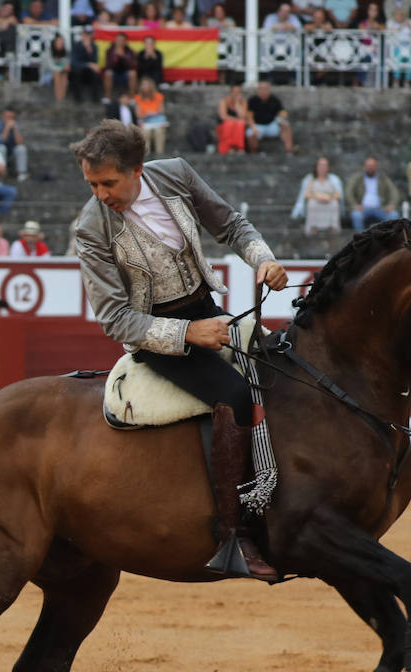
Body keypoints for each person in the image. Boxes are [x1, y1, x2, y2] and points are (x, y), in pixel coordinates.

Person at [70, 119, 287, 580]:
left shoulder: (176, 174)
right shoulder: (90, 228)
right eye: (91, 184)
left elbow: (230, 224)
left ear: (137, 170)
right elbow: (115, 318)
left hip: (209, 311)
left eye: (107, 182)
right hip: (157, 339)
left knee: (282, 377)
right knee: (235, 396)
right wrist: (189, 336)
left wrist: (264, 259)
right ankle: (233, 537)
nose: (100, 194)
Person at [346, 156, 400, 231]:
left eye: (372, 166)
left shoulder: (383, 178)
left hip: (380, 208)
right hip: (363, 209)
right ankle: (360, 239)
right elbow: (349, 191)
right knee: (356, 215)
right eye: (368, 166)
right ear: (364, 167)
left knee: (394, 215)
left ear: (376, 167)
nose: (370, 168)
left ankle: (389, 238)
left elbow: (394, 191)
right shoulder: (358, 178)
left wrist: (391, 205)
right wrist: (354, 205)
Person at [297, 156, 343, 234]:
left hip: (329, 201)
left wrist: (329, 197)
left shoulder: (333, 180)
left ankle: (332, 227)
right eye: (321, 165)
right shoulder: (311, 180)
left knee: (334, 203)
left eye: (325, 166)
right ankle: (313, 227)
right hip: (316, 201)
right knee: (311, 203)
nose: (323, 168)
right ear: (317, 167)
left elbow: (338, 194)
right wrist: (317, 197)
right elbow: (306, 194)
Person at [246, 81, 294, 154]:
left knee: (285, 125)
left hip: (271, 125)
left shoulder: (274, 100)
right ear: (258, 90)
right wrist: (253, 126)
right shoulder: (253, 101)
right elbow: (249, 115)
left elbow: (282, 111)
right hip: (258, 126)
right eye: (261, 88)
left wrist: (282, 115)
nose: (263, 91)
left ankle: (289, 150)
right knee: (251, 133)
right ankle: (253, 153)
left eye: (265, 88)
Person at [215, 85, 255, 155]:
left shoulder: (243, 102)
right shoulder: (224, 101)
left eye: (239, 92)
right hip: (225, 125)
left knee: (240, 125)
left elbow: (242, 116)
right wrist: (236, 120)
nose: (237, 94)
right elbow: (223, 116)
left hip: (238, 125)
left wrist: (237, 104)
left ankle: (238, 147)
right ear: (231, 92)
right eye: (235, 92)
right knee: (230, 124)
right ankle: (229, 147)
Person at [133, 79, 168, 157]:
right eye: (143, 85)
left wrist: (152, 113)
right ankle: (146, 155)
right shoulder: (138, 98)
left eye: (147, 84)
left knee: (159, 132)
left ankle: (160, 155)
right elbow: (138, 114)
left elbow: (161, 110)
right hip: (145, 122)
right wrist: (147, 114)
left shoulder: (158, 96)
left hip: (157, 122)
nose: (145, 87)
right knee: (145, 133)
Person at [0, 108, 29, 181]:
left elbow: (20, 143)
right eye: (8, 117)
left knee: (21, 149)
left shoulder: (16, 125)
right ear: (3, 116)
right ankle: (2, 172)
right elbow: (0, 141)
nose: (10, 119)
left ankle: (21, 173)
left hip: (12, 151)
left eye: (12, 117)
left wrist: (15, 130)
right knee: (2, 148)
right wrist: (7, 128)